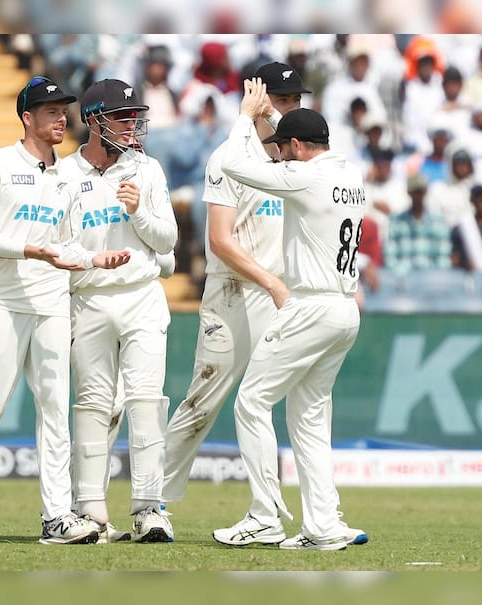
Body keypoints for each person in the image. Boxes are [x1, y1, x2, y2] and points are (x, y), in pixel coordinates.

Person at [0, 76, 129, 546]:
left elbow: (66, 246)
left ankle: (56, 516)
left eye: (64, 111)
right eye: (50, 111)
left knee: (54, 409)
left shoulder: (68, 175)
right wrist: (34, 250)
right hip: (2, 302)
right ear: (27, 117)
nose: (61, 118)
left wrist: (92, 258)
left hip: (51, 302)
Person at [219, 81, 368, 551]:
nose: (280, 156)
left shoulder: (308, 175)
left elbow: (232, 166)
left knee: (251, 402)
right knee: (308, 416)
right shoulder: (351, 176)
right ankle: (323, 525)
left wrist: (246, 117)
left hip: (310, 305)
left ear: (300, 146)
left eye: (283, 148)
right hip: (345, 307)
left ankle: (265, 516)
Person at [162, 63, 303, 544]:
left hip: (282, 294)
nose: (290, 112)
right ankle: (152, 503)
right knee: (202, 403)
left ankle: (273, 513)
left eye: (295, 102)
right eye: (281, 102)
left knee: (273, 403)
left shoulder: (297, 161)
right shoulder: (228, 156)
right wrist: (271, 283)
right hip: (234, 293)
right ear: (258, 101)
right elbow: (219, 242)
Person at [57, 78, 178, 543]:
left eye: (134, 117)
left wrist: (139, 213)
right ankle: (88, 510)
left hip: (141, 294)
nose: (132, 126)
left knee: (146, 401)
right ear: (93, 121)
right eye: (121, 118)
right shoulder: (65, 175)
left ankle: (150, 510)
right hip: (87, 298)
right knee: (92, 405)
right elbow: (60, 245)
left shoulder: (147, 170)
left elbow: (167, 240)